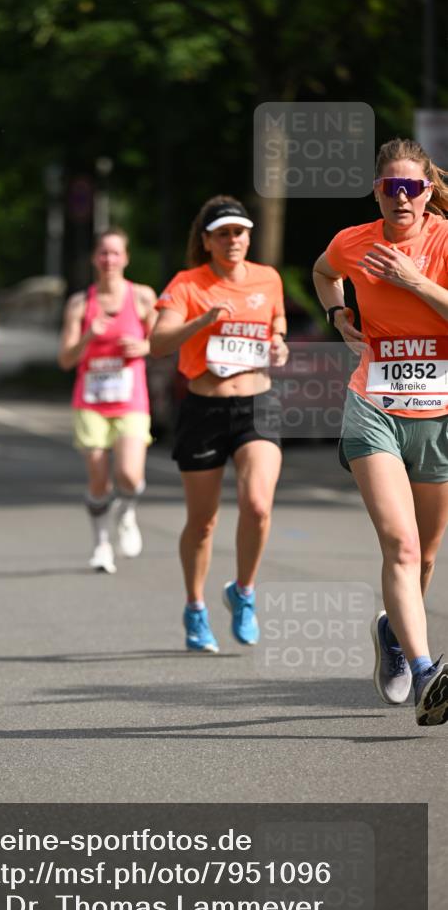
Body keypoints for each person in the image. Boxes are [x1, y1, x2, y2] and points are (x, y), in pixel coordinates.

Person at [313, 138, 448, 726]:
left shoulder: (444, 241)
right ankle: (425, 674)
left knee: (427, 552)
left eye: (411, 187)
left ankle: (392, 634)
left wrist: (415, 281)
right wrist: (337, 313)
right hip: (375, 405)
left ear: (427, 191)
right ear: (377, 190)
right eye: (391, 187)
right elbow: (323, 271)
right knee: (402, 544)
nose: (401, 197)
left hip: (440, 412)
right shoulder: (354, 241)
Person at [150, 197, 288, 652]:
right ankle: (195, 607)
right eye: (223, 233)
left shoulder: (267, 278)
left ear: (249, 237)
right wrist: (202, 321)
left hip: (257, 405)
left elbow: (277, 324)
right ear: (206, 240)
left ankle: (243, 593)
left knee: (258, 505)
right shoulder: (188, 284)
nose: (233, 240)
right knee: (203, 522)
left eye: (240, 232)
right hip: (205, 409)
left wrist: (281, 343)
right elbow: (158, 342)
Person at [58, 228, 157, 574]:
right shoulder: (80, 302)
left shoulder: (142, 297)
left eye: (115, 253)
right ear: (94, 259)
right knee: (99, 480)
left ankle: (126, 511)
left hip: (130, 398)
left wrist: (143, 346)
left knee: (129, 474)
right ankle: (101, 545)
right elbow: (66, 360)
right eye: (103, 253)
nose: (109, 260)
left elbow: (161, 340)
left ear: (126, 258)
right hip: (90, 401)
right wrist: (89, 335)